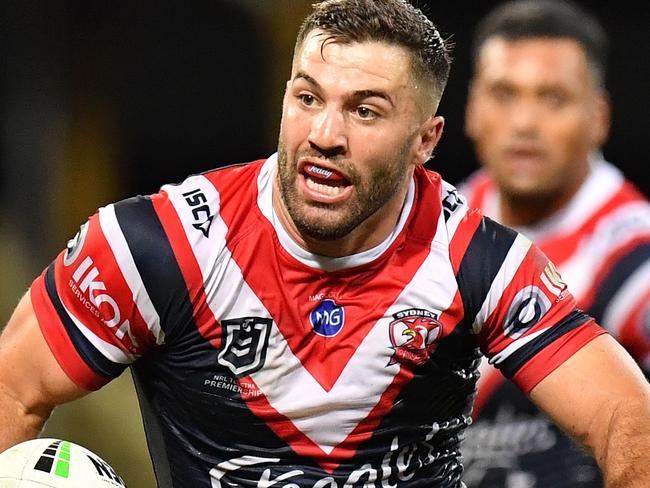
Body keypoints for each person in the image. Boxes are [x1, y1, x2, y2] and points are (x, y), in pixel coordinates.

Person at [1, 0, 649, 486]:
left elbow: (628, 419)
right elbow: (12, 392)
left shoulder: (479, 260)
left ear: (426, 141)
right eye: (309, 98)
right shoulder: (157, 244)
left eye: (366, 110)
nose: (325, 134)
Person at [459, 0, 650, 486]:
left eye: (553, 98)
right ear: (472, 109)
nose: (525, 123)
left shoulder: (633, 255)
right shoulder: (438, 226)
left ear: (599, 117)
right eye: (504, 94)